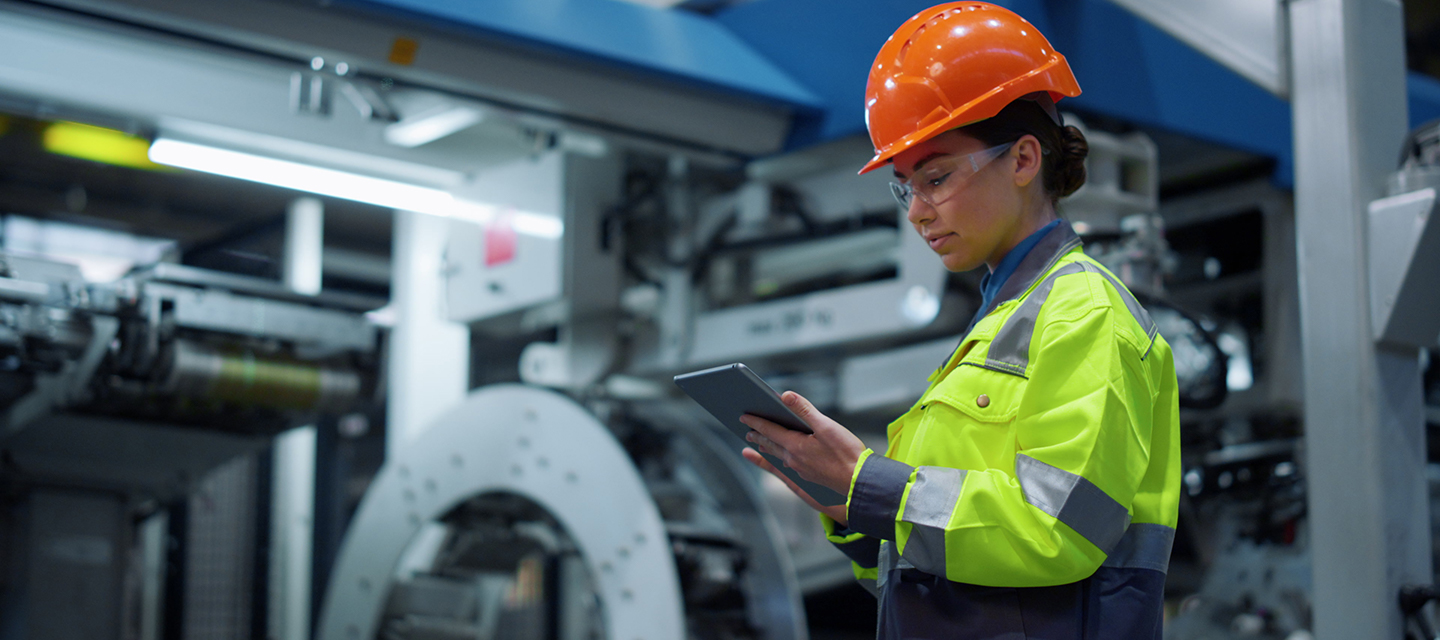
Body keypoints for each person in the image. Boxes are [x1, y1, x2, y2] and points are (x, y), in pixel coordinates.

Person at [738, 3, 1181, 638]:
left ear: (1024, 160)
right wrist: (856, 509)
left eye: (937, 177)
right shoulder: (1000, 328)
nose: (917, 212)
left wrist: (876, 486)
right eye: (905, 187)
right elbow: (939, 574)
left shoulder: (1083, 314)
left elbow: (1059, 531)